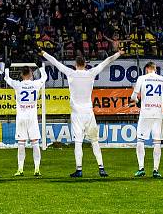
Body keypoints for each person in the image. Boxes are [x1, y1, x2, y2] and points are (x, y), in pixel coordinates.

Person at [40, 45, 124, 178]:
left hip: (77, 114)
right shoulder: (91, 73)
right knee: (95, 141)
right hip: (89, 113)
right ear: (85, 64)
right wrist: (118, 53)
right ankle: (101, 168)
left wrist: (43, 52)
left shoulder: (71, 73)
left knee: (78, 142)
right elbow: (107, 61)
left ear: (75, 64)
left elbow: (55, 62)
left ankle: (79, 169)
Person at [4, 64, 47, 177]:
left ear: (21, 75)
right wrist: (41, 67)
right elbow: (44, 77)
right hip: (32, 117)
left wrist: (7, 68)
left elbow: (7, 79)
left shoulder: (18, 85)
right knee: (35, 143)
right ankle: (37, 169)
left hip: (21, 118)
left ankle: (20, 169)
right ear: (31, 74)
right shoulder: (35, 84)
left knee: (21, 144)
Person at [133, 61, 163, 178]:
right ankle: (155, 170)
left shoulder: (141, 78)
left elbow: (134, 96)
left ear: (147, 68)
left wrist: (138, 101)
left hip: (145, 113)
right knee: (157, 142)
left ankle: (141, 168)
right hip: (158, 113)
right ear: (155, 69)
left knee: (140, 140)